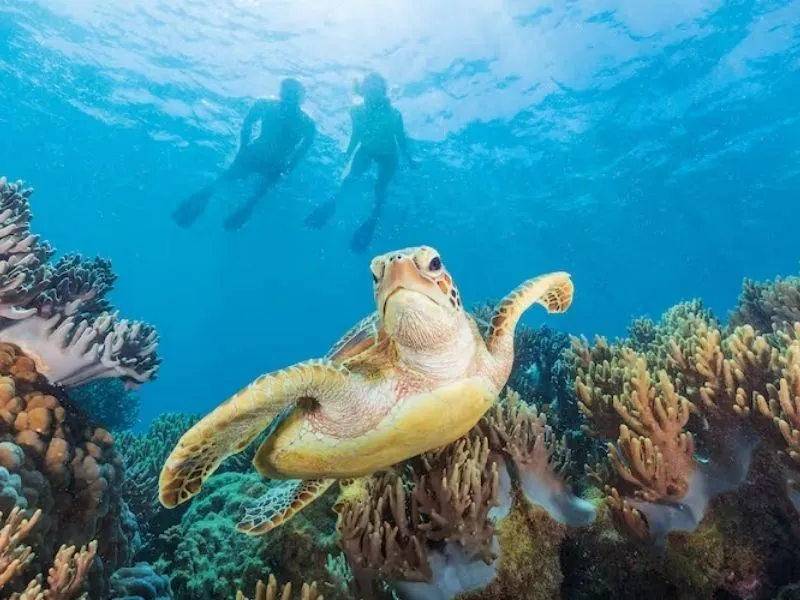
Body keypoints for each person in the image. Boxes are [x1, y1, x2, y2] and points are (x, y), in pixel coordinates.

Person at [172, 77, 316, 231]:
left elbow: (249, 123)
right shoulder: (302, 121)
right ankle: (236, 209)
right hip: (266, 158)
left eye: (292, 93)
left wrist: (245, 149)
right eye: (288, 92)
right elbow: (249, 123)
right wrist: (244, 149)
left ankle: (234, 208)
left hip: (264, 158)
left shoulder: (297, 119)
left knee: (238, 186)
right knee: (246, 189)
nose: (289, 97)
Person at [305, 72, 417, 253]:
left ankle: (371, 221)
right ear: (363, 91)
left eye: (376, 87)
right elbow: (356, 134)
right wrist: (348, 153)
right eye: (369, 87)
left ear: (383, 92)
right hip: (366, 150)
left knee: (380, 189)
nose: (372, 91)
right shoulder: (356, 111)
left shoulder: (394, 114)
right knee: (349, 180)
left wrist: (410, 160)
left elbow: (400, 139)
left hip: (389, 155)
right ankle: (331, 205)